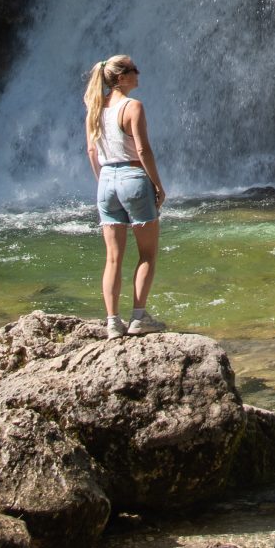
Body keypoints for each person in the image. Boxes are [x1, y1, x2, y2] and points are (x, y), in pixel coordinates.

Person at [83, 54, 167, 338]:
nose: (138, 73)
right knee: (147, 254)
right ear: (121, 78)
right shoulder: (133, 107)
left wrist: (104, 182)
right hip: (133, 178)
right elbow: (143, 151)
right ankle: (139, 318)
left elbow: (92, 152)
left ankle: (112, 322)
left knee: (113, 259)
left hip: (106, 181)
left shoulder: (94, 109)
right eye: (134, 70)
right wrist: (157, 185)